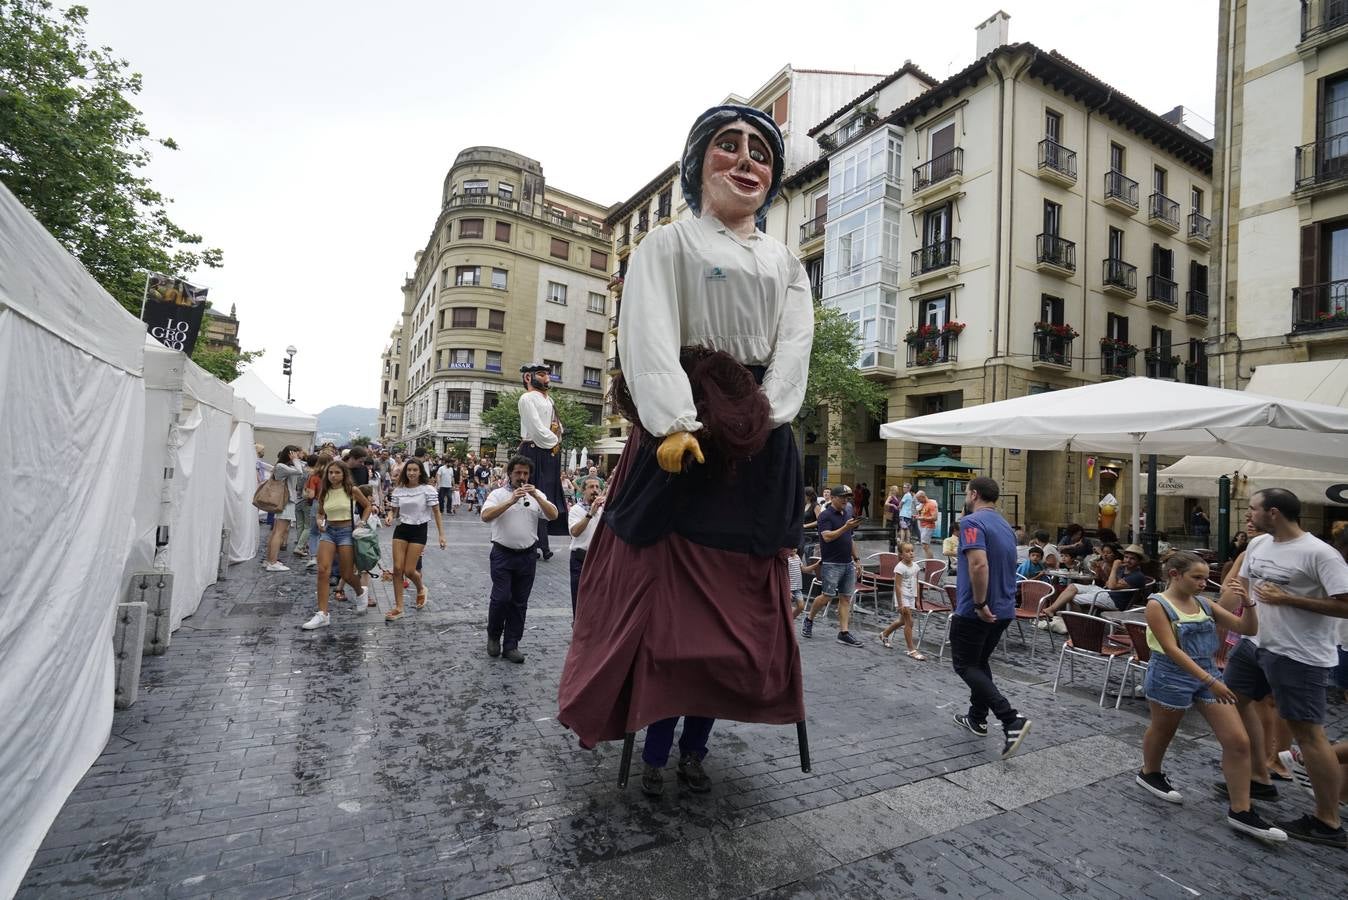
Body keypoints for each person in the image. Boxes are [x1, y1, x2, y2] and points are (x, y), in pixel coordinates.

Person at [557, 104, 812, 797]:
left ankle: (696, 745)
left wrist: (766, 420)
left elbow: (794, 350)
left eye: (760, 150)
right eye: (728, 146)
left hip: (755, 445)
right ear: (700, 163)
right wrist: (673, 420)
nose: (746, 160)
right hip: (684, 439)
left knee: (732, 631)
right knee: (666, 621)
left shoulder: (786, 264)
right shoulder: (667, 245)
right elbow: (648, 329)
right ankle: (655, 749)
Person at [1223, 488, 1348, 848]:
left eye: (1253, 509)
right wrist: (1225, 621)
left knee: (1309, 735)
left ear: (1274, 512)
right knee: (1235, 699)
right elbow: (1244, 586)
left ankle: (1328, 821)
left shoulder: (1319, 553)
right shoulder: (1260, 545)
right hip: (1255, 643)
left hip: (1298, 654)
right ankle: (1260, 777)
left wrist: (1289, 598)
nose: (1248, 515)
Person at [1134, 552, 1285, 841]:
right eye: (1197, 577)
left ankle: (1241, 809)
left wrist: (1249, 602)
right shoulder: (1158, 605)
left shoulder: (1204, 603)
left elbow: (1247, 628)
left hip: (1206, 674)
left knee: (1238, 741)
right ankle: (1150, 772)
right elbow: (1171, 648)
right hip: (1171, 674)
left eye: (1206, 577)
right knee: (1164, 730)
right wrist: (1210, 680)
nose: (1204, 583)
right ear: (1175, 574)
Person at [949, 476, 1032, 759]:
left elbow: (979, 563)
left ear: (973, 494)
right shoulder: (1006, 527)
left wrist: (980, 602)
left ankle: (1010, 718)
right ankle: (977, 717)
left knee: (964, 664)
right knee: (979, 662)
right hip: (1005, 609)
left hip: (977, 609)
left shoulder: (972, 523)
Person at [480, 455, 558, 663]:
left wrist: (538, 497)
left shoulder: (536, 494)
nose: (521, 477)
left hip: (527, 556)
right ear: (510, 474)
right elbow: (485, 516)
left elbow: (553, 515)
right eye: (518, 473)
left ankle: (511, 644)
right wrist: (510, 500)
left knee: (519, 602)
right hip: (502, 554)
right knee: (501, 598)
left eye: (525, 473)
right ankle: (494, 635)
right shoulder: (497, 494)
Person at [301, 461, 373, 630]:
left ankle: (361, 592)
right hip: (328, 531)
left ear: (344, 474)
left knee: (347, 574)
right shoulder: (324, 491)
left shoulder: (352, 490)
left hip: (347, 532)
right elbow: (320, 513)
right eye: (331, 472)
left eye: (337, 472)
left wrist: (362, 522)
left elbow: (368, 506)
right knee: (322, 571)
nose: (333, 475)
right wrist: (320, 522)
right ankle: (322, 614)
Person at [801, 486, 864, 647]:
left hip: (847, 563)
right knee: (827, 595)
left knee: (845, 598)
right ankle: (809, 619)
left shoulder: (847, 514)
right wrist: (846, 527)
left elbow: (850, 539)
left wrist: (856, 559)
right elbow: (827, 537)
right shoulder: (825, 516)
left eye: (848, 498)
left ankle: (843, 632)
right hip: (831, 563)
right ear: (833, 498)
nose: (846, 500)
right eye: (842, 497)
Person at [515, 367, 567, 561]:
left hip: (548, 451)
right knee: (531, 495)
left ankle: (542, 544)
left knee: (546, 497)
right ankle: (536, 544)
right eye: (542, 374)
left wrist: (557, 434)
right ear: (529, 377)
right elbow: (536, 428)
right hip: (534, 450)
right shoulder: (526, 398)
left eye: (548, 374)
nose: (547, 378)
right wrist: (555, 441)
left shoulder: (550, 400)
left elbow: (558, 426)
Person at [383, 458, 444, 621]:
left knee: (410, 570)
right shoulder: (399, 490)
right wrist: (389, 516)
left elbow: (437, 512)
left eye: (414, 470)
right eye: (409, 470)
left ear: (420, 472)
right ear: (405, 472)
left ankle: (421, 588)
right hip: (402, 529)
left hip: (419, 530)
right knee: (397, 569)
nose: (411, 473)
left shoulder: (428, 490)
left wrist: (441, 535)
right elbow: (393, 510)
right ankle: (399, 607)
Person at [1040, 543, 1151, 622]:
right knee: (1072, 586)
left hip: (1114, 600)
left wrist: (1114, 568)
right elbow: (1108, 583)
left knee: (1072, 597)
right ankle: (1052, 609)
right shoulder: (1123, 569)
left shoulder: (1138, 576)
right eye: (1126, 557)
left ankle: (1080, 623)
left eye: (1132, 558)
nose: (1127, 560)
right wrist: (1109, 577)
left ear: (1139, 561)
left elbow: (1111, 585)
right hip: (1106, 592)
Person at [879, 543, 925, 660]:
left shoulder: (915, 566)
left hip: (911, 595)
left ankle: (884, 634)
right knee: (909, 621)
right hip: (903, 596)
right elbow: (898, 586)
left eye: (912, 551)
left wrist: (917, 600)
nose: (911, 553)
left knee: (902, 621)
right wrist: (900, 603)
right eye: (907, 551)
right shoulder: (899, 568)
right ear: (901, 554)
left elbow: (917, 583)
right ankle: (911, 649)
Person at [567, 476, 604, 616]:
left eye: (597, 487)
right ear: (583, 491)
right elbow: (575, 532)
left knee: (598, 596)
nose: (594, 490)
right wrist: (590, 514)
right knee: (578, 595)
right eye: (591, 487)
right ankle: (577, 626)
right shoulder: (576, 509)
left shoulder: (604, 509)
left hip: (598, 558)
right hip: (580, 559)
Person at [264, 445, 305, 572]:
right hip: (286, 501)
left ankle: (270, 559)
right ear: (291, 454)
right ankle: (272, 561)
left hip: (286, 500)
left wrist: (295, 461)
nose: (299, 457)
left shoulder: (284, 467)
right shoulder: (282, 467)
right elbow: (300, 472)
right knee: (279, 532)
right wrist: (295, 460)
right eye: (297, 454)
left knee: (276, 531)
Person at [914, 490, 939, 560]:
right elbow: (924, 514)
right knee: (925, 546)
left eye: (919, 499)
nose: (918, 501)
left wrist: (922, 518)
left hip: (928, 527)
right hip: (923, 526)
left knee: (925, 545)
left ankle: (930, 564)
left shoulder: (931, 504)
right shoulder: (924, 504)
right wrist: (917, 516)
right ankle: (929, 563)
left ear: (923, 497)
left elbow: (935, 517)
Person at [884, 486, 902, 553]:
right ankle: (892, 539)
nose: (897, 490)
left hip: (897, 513)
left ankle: (895, 539)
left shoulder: (896, 497)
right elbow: (886, 503)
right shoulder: (891, 496)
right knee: (893, 526)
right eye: (896, 489)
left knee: (897, 526)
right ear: (894, 490)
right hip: (892, 513)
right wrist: (892, 505)